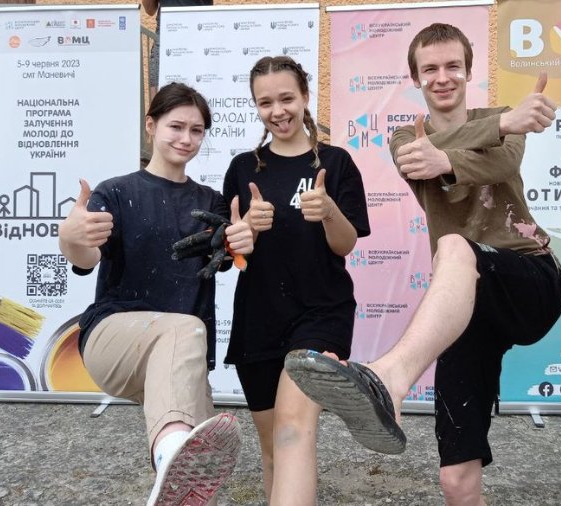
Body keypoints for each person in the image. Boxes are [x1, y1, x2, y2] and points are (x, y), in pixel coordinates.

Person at [284, 23, 561, 505]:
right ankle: (390, 388)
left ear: (469, 71)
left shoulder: (502, 118)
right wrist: (498, 128)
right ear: (416, 79)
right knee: (455, 478)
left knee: (454, 247)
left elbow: (501, 164)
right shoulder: (405, 137)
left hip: (529, 276)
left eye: (453, 66)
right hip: (463, 309)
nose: (443, 77)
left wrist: (473, 142)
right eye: (430, 69)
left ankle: (388, 379)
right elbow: (418, 160)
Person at [58, 82, 254, 506]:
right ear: (151, 125)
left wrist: (241, 242)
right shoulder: (116, 192)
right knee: (184, 334)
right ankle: (168, 450)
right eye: (176, 126)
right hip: (113, 338)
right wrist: (70, 237)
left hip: (180, 356)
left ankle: (171, 456)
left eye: (197, 130)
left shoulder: (211, 203)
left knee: (200, 471)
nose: (186, 138)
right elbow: (86, 257)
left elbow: (228, 256)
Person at [221, 55, 370, 504]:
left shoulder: (337, 163)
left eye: (286, 98)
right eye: (265, 102)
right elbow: (231, 255)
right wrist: (244, 233)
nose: (278, 111)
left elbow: (345, 245)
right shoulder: (243, 168)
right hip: (259, 320)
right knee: (272, 451)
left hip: (321, 315)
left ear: (305, 97)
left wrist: (329, 211)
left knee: (291, 431)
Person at [142, 0, 212, 100]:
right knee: (159, 103)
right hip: (167, 34)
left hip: (200, 34)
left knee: (203, 100)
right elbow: (150, 9)